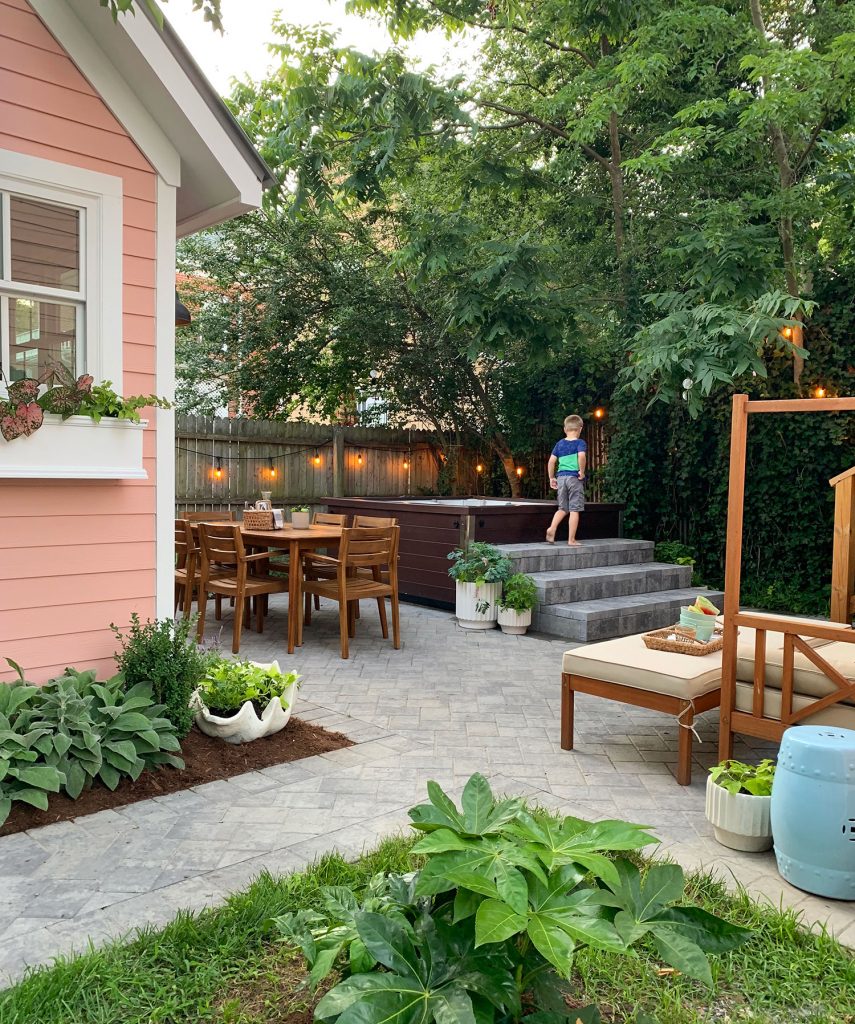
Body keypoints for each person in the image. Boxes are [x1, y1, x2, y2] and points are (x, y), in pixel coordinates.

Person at [546, 414, 586, 545]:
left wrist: (552, 477)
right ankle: (571, 540)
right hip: (574, 478)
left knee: (562, 508)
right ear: (580, 428)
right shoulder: (580, 443)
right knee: (574, 509)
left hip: (561, 477)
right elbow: (581, 456)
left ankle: (552, 528)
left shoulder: (560, 444)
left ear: (565, 429)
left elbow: (551, 461)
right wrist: (582, 471)